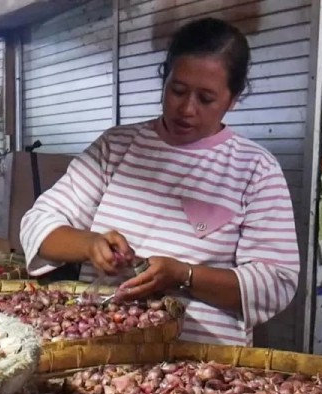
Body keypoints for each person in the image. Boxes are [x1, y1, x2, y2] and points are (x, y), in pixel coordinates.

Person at [20, 17, 300, 347]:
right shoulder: (117, 146)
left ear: (233, 99)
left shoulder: (255, 169)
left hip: (202, 367)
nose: (186, 108)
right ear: (164, 79)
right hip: (105, 352)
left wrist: (184, 275)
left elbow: (275, 282)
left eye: (206, 99)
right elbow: (37, 224)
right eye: (177, 90)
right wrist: (89, 245)